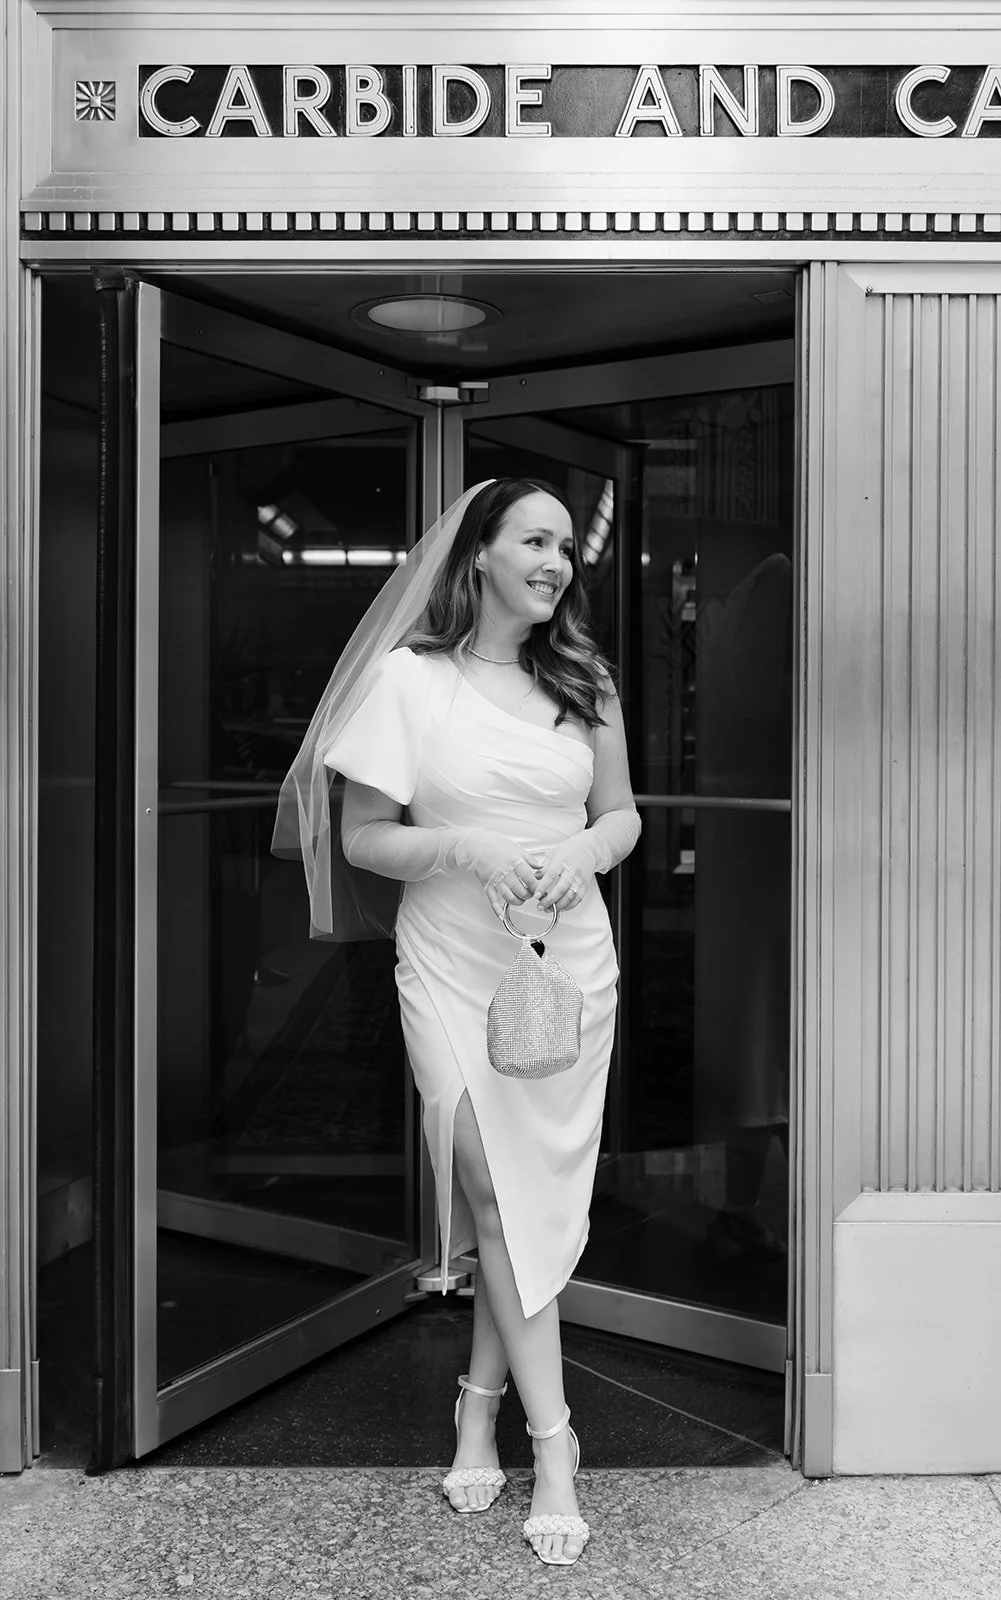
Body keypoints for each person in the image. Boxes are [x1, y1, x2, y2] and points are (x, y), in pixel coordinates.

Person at [273, 478, 640, 1566]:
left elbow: (619, 813)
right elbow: (362, 838)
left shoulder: (585, 678)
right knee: (487, 1180)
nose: (554, 561)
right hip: (449, 959)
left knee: (517, 1202)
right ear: (477, 554)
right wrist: (467, 848)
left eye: (565, 546)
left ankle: (477, 1402)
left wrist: (580, 852)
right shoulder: (408, 682)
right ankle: (556, 1441)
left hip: (563, 963)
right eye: (532, 540)